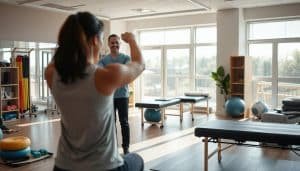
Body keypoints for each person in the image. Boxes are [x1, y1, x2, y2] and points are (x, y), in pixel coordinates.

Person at [45, 12, 145, 171]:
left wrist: (68, 43)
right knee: (136, 160)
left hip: (63, 167)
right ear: (95, 40)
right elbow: (139, 64)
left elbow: (61, 60)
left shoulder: (51, 74)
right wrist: (132, 39)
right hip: (104, 167)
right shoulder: (106, 76)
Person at [99, 34, 131, 155]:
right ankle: (113, 148)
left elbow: (127, 70)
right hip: (108, 97)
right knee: (111, 124)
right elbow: (101, 75)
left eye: (116, 42)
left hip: (123, 96)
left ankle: (126, 148)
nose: (115, 44)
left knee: (124, 122)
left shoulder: (125, 57)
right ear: (108, 44)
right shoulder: (103, 60)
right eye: (112, 42)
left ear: (120, 44)